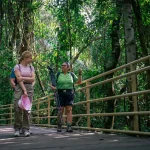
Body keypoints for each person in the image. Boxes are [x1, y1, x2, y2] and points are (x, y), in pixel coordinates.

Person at [50, 62, 82, 132]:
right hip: (60, 93)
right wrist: (53, 87)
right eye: (62, 65)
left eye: (64, 65)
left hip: (69, 93)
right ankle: (59, 124)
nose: (62, 66)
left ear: (68, 67)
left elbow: (79, 82)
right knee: (60, 110)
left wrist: (80, 74)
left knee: (69, 110)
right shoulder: (58, 74)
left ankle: (69, 126)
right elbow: (53, 83)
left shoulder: (71, 74)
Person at [13, 51, 35, 137]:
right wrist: (24, 90)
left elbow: (33, 79)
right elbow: (19, 80)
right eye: (30, 58)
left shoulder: (31, 67)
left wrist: (22, 77)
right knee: (17, 107)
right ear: (25, 58)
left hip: (29, 88)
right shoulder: (17, 67)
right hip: (20, 88)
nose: (31, 59)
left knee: (27, 109)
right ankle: (17, 128)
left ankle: (26, 129)